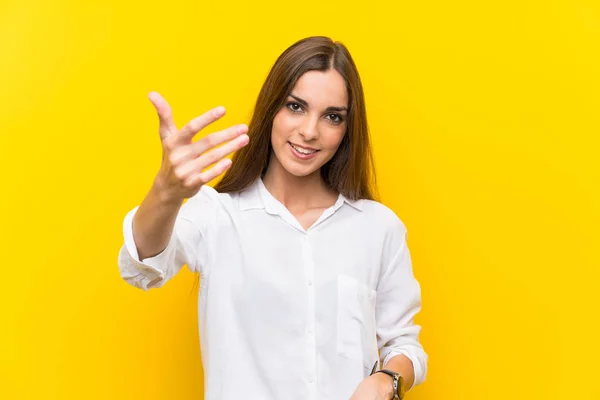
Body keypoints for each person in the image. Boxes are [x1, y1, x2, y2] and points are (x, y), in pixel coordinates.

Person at [117, 36, 427, 400]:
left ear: (347, 130)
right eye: (296, 107)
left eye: (332, 117)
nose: (310, 131)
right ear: (271, 110)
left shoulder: (378, 227)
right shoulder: (217, 213)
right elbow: (141, 266)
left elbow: (403, 343)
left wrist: (387, 379)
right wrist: (165, 193)